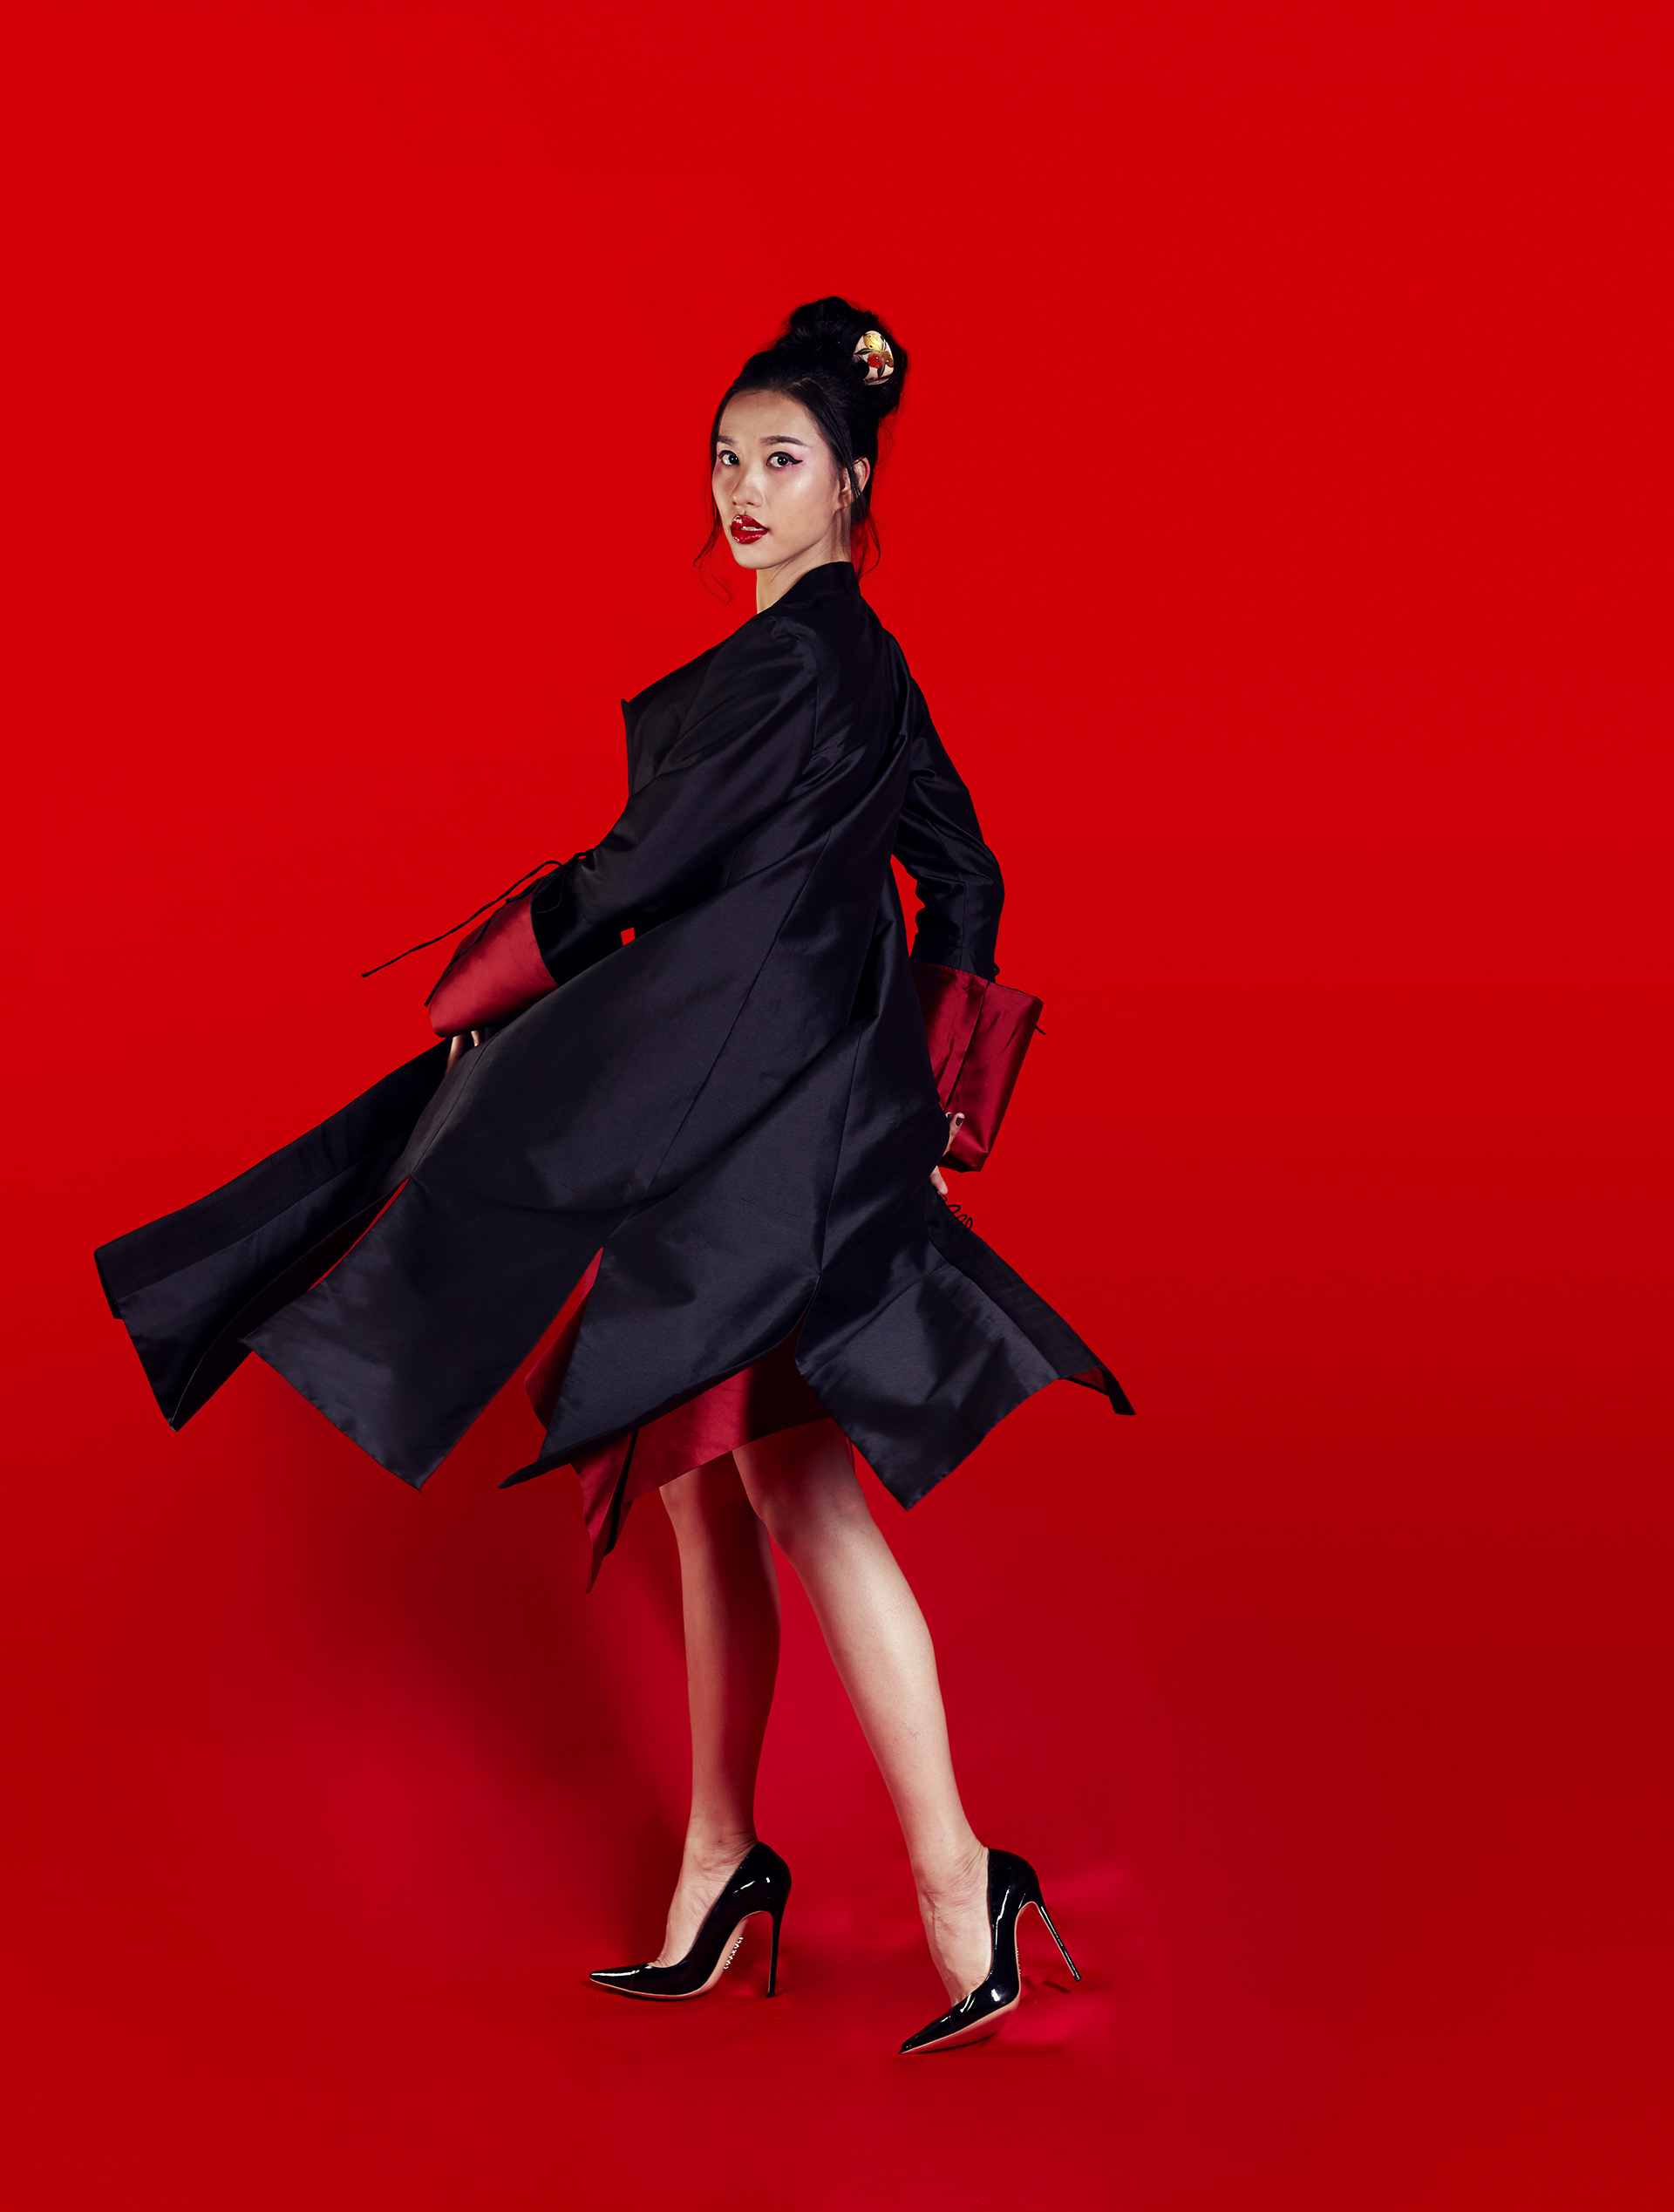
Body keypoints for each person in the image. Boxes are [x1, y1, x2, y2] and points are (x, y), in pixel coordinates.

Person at [94, 297, 1130, 2054]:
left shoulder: (797, 664)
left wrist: (488, 980)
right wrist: (935, 1119)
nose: (742, 489)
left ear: (853, 484)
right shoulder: (867, 663)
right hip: (744, 1129)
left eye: (781, 460)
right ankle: (723, 1863)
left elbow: (644, 866)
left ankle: (963, 1886)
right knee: (697, 1481)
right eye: (726, 457)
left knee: (793, 1493)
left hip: (755, 1143)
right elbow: (967, 876)